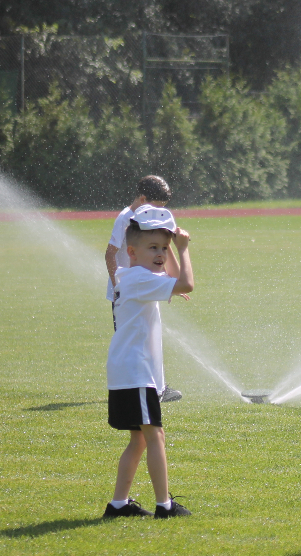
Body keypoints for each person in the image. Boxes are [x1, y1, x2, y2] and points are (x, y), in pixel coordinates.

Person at [103, 205, 195, 518]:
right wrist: (182, 250)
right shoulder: (140, 279)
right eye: (153, 248)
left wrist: (171, 247)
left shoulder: (134, 276)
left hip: (130, 373)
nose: (160, 254)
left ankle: (118, 505)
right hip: (136, 373)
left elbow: (172, 278)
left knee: (140, 440)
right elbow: (185, 283)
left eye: (164, 248)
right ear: (131, 252)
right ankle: (164, 506)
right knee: (155, 436)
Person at [105, 175, 183, 403]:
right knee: (134, 342)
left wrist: (166, 282)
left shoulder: (145, 221)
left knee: (151, 338)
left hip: (144, 287)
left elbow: (156, 253)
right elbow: (110, 254)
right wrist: (119, 287)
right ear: (142, 199)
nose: (158, 212)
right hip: (128, 292)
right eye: (155, 206)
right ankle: (137, 388)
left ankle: (158, 387)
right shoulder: (126, 219)